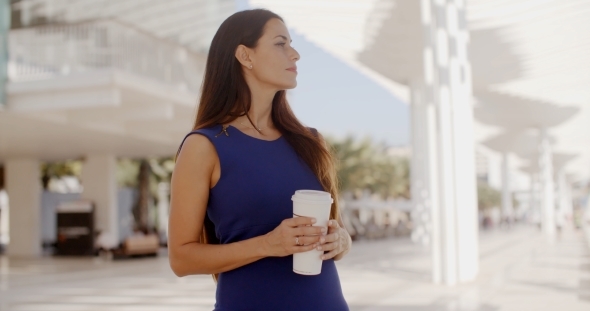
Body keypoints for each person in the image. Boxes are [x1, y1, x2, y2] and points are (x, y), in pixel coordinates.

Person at [168, 9, 351, 311]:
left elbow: (339, 231)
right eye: (281, 43)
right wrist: (268, 244)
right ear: (244, 55)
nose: (295, 54)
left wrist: (341, 241)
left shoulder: (311, 142)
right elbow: (181, 259)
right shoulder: (204, 146)